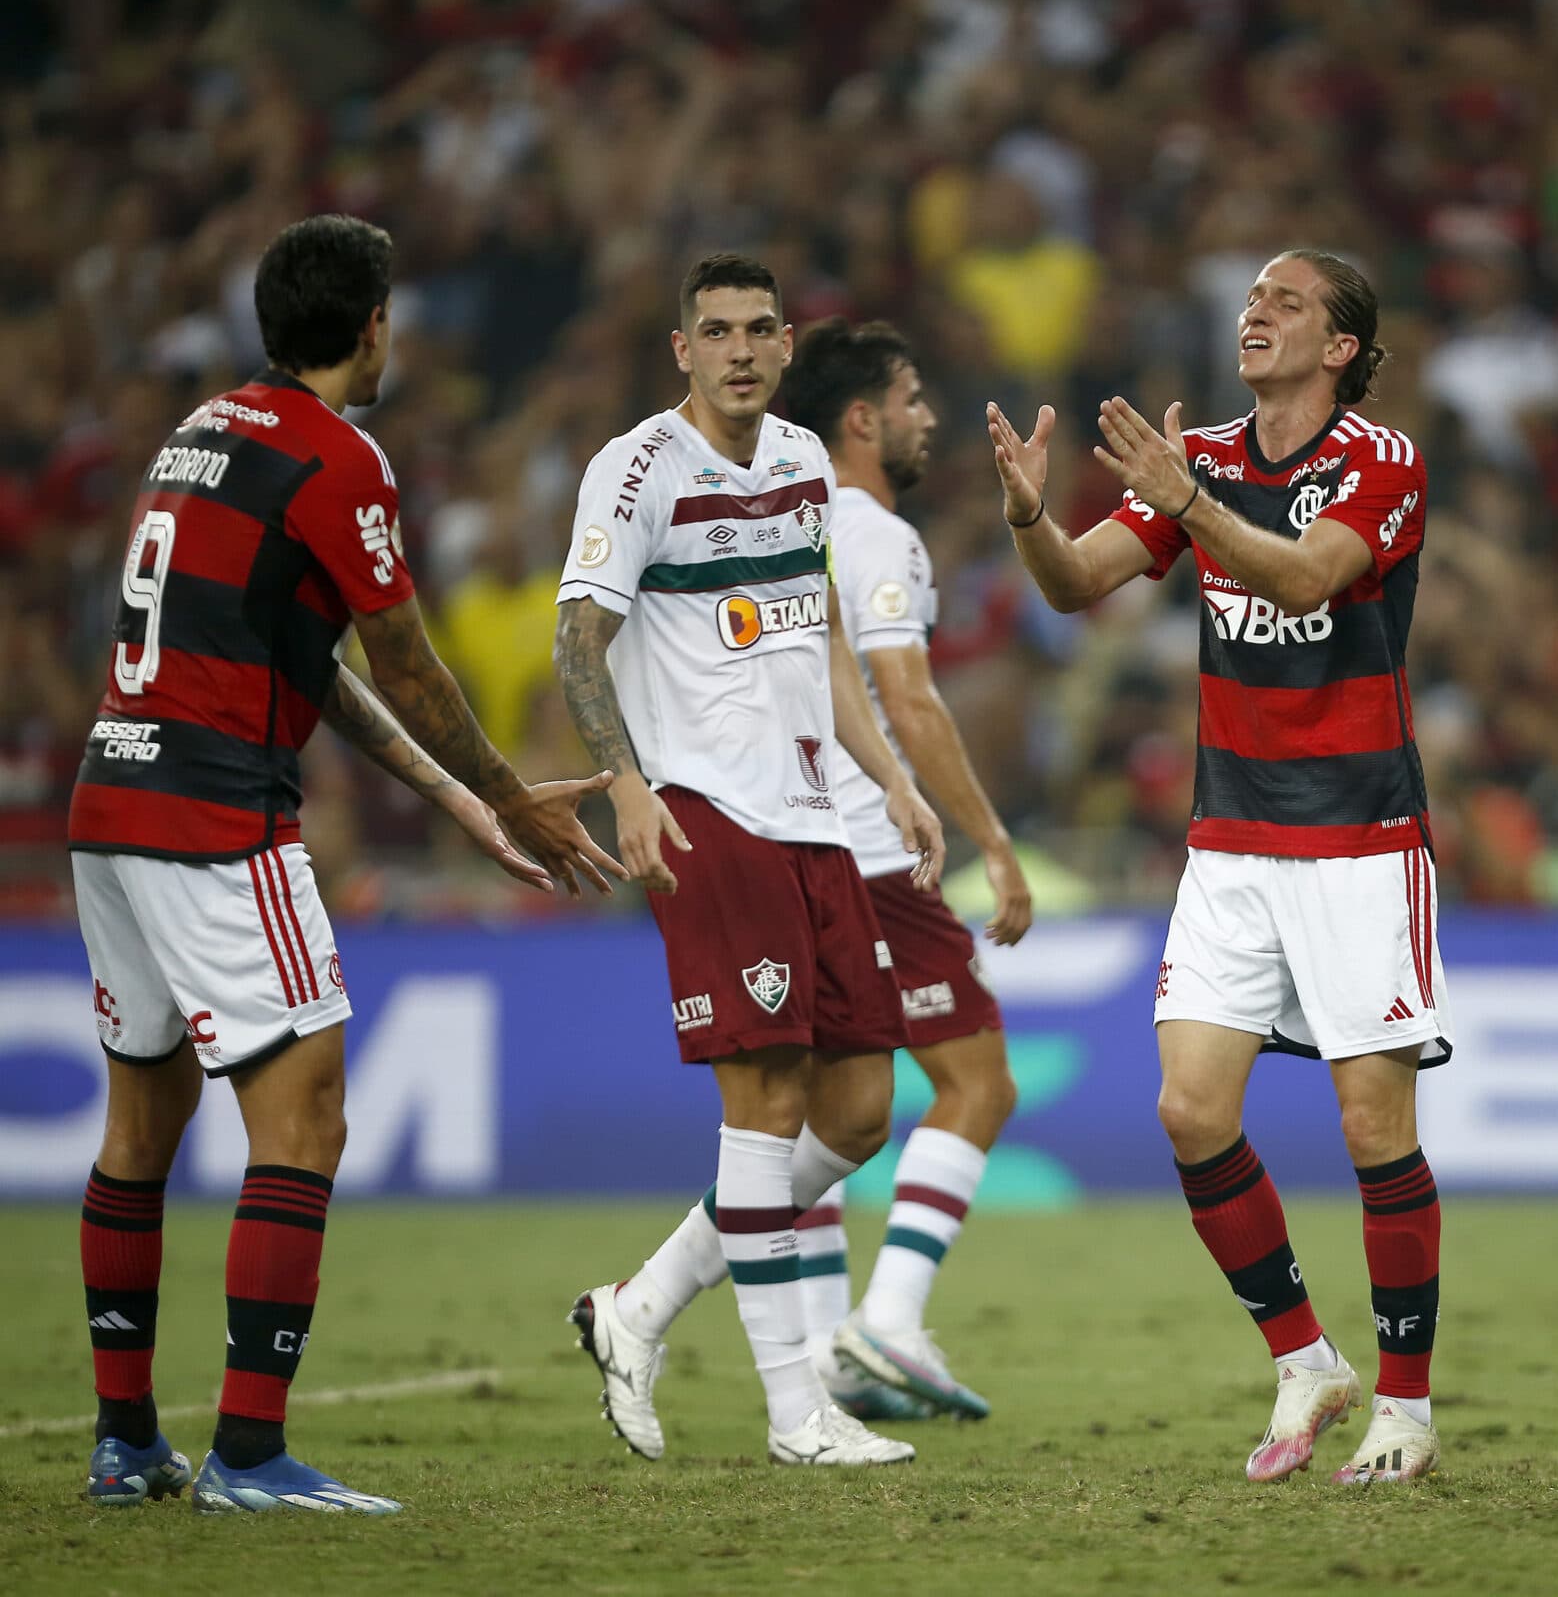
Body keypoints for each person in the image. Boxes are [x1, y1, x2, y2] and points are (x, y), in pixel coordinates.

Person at [68, 214, 623, 1514]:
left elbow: (310, 663)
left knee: (141, 1125)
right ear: (375, 324)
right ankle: (250, 1456)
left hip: (110, 803)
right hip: (213, 817)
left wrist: (458, 803)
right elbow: (406, 662)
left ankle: (125, 1441)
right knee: (305, 1113)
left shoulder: (202, 434)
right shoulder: (336, 459)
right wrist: (508, 794)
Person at [986, 248, 1449, 1484]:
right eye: (1251, 298)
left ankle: (1406, 1405)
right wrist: (1034, 514)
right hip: (1231, 838)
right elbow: (1081, 583)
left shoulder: (1380, 460)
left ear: (1342, 344)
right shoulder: (1217, 459)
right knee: (1191, 1112)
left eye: (1286, 301)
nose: (1256, 312)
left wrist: (1185, 499)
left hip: (1358, 837)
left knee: (1371, 1125)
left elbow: (1308, 575)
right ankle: (1305, 1359)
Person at [576, 319, 1034, 1429]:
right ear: (865, 416)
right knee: (945, 1090)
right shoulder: (863, 526)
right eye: (916, 395)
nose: (930, 416)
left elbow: (821, 655)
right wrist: (990, 838)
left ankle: (706, 1314)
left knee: (849, 1110)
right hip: (797, 836)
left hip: (828, 831)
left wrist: (882, 785)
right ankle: (855, 1342)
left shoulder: (797, 489)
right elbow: (905, 694)